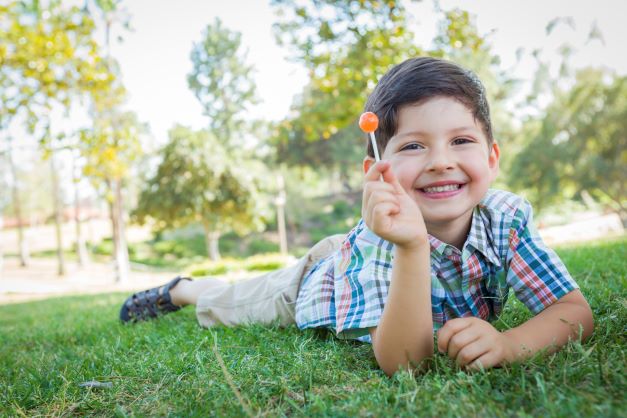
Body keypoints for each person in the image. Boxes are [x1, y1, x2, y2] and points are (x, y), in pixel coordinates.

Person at [119, 57, 594, 376]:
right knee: (236, 302)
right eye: (413, 146)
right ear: (377, 170)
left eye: (461, 141)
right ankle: (181, 289)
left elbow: (572, 312)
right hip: (314, 284)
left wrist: (511, 344)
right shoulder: (381, 239)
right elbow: (404, 363)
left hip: (348, 254)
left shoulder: (506, 217)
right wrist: (410, 245)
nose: (441, 161)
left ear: (491, 159)